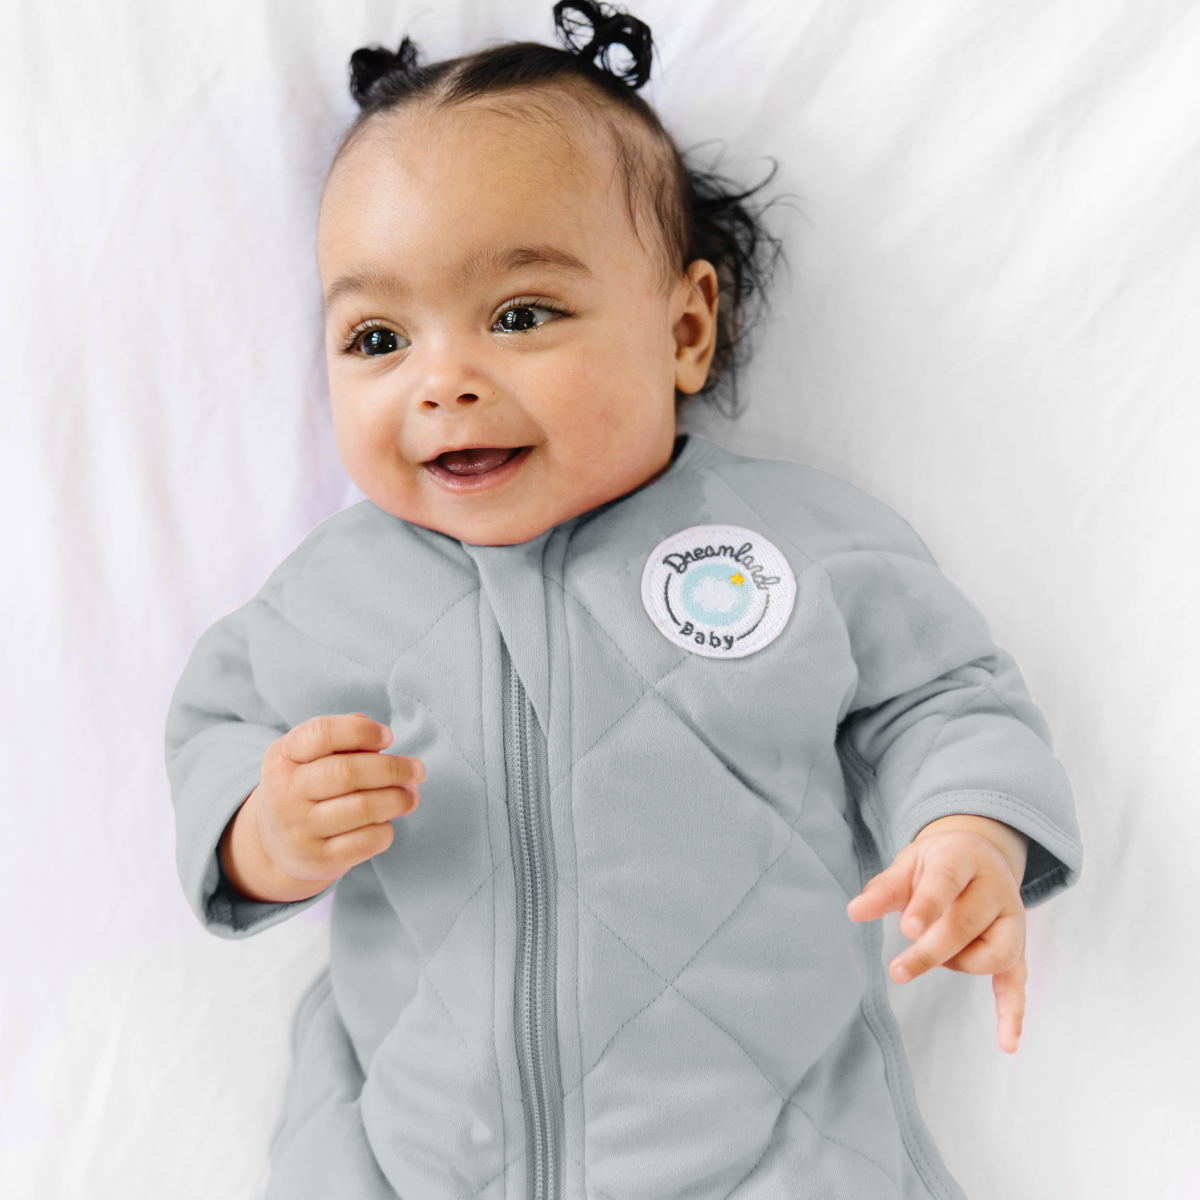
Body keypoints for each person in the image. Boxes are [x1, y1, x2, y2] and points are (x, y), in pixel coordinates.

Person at [165, 3, 1082, 1196]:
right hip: (412, 1161)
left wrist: (967, 831)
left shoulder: (795, 545)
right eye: (379, 337)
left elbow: (942, 699)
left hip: (784, 1156)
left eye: (520, 315)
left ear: (686, 328)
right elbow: (216, 731)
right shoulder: (329, 596)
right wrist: (264, 835)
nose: (442, 382)